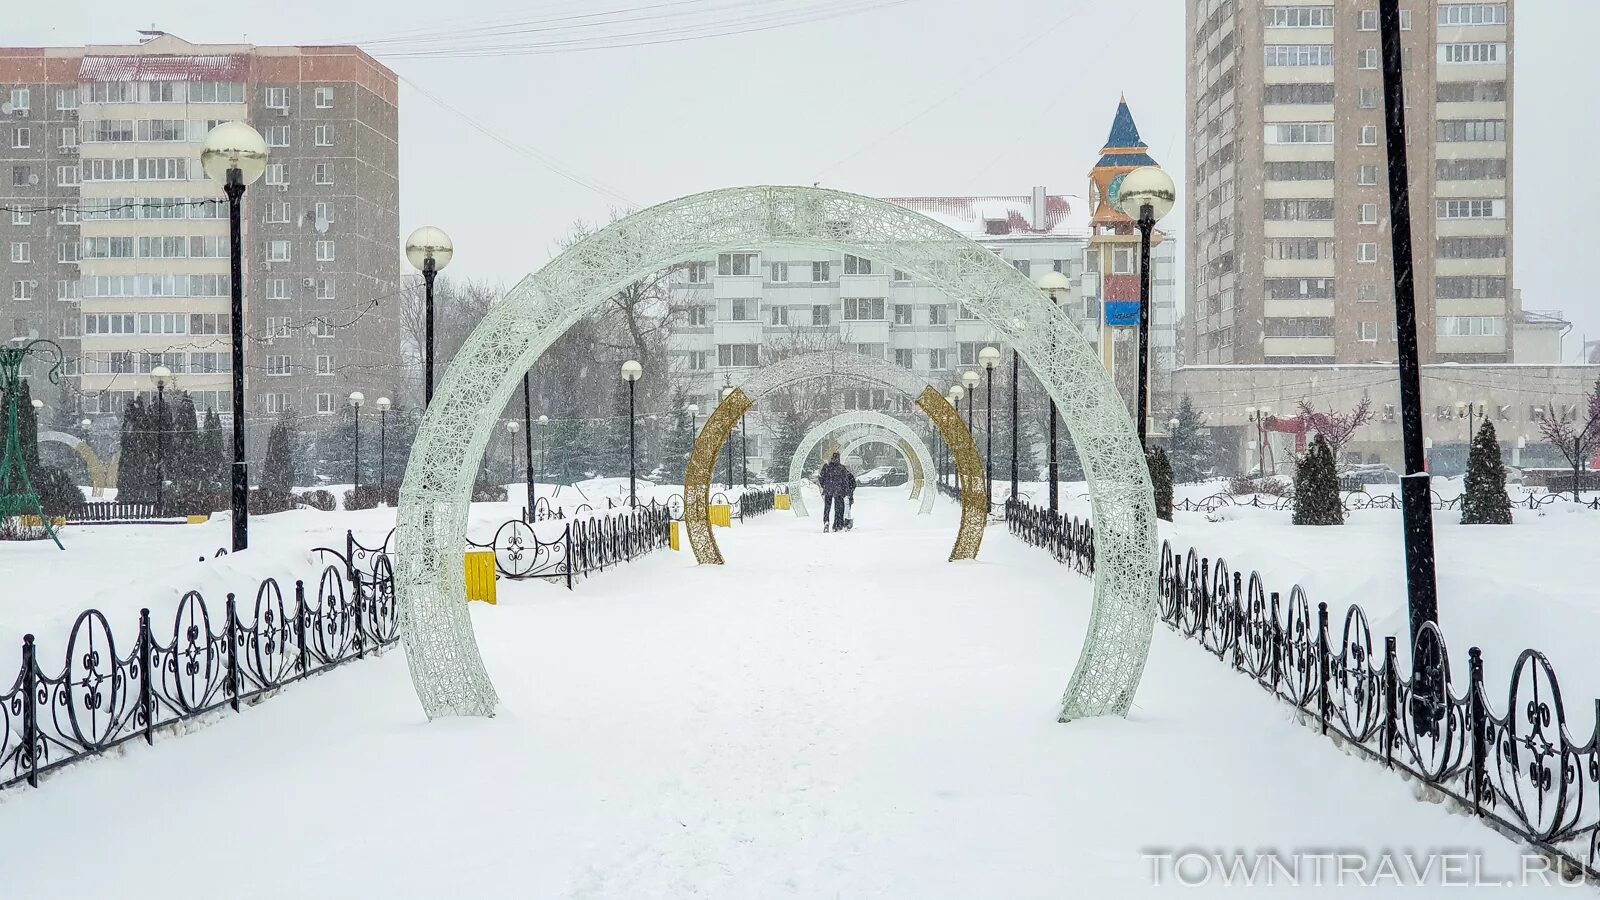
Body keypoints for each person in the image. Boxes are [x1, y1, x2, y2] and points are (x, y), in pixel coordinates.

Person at [819, 452, 849, 532]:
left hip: (828, 489)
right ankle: (836, 525)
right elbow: (845, 481)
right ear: (839, 459)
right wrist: (845, 492)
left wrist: (824, 486)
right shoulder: (842, 468)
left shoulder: (826, 467)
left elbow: (821, 478)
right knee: (838, 508)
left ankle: (826, 521)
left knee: (827, 507)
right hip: (838, 490)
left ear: (832, 458)